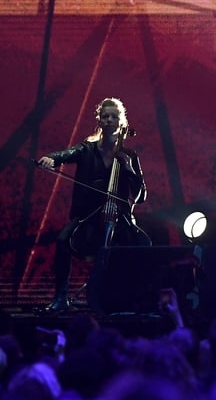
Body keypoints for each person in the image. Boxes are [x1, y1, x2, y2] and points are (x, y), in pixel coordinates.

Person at [36, 97, 150, 313]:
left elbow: (140, 196)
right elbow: (67, 154)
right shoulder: (87, 149)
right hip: (88, 214)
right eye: (105, 116)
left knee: (143, 244)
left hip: (119, 216)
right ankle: (60, 297)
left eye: (114, 117)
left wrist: (129, 169)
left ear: (122, 122)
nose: (109, 120)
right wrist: (52, 158)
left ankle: (134, 299)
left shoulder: (129, 155)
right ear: (99, 120)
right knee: (62, 240)